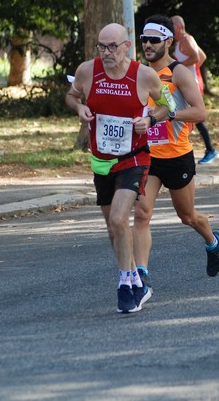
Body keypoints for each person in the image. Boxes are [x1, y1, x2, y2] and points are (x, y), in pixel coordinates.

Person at [65, 23, 174, 315]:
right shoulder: (88, 71)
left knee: (118, 217)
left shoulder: (144, 75)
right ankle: (138, 280)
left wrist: (151, 120)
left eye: (113, 46)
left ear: (127, 46)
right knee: (114, 229)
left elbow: (168, 104)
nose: (107, 52)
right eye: (102, 46)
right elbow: (71, 95)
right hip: (102, 160)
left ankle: (125, 283)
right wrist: (79, 109)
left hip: (135, 157)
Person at [132, 15, 219, 289]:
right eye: (144, 40)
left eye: (154, 40)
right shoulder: (139, 73)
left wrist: (169, 115)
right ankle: (140, 274)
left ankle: (212, 241)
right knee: (141, 214)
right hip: (147, 154)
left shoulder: (179, 72)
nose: (147, 45)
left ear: (168, 41)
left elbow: (200, 112)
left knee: (187, 216)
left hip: (177, 155)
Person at [171, 15, 219, 165]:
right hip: (188, 82)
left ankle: (210, 150)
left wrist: (178, 67)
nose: (169, 30)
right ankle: (204, 149)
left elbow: (196, 57)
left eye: (171, 26)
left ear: (178, 27)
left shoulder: (186, 39)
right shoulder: (181, 42)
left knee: (194, 117)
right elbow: (202, 56)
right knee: (187, 116)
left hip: (191, 84)